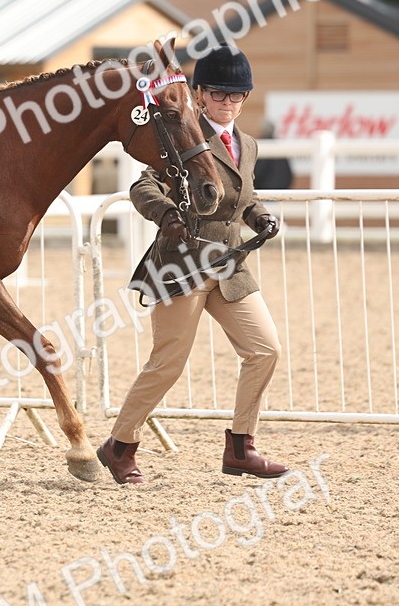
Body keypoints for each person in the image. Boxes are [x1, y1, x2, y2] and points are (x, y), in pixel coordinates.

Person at [96, 45, 288, 484]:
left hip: (230, 267)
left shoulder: (249, 145)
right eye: (218, 94)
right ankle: (119, 446)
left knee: (265, 350)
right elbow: (142, 185)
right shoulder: (181, 131)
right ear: (199, 95)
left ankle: (241, 447)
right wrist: (166, 215)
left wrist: (261, 217)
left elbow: (247, 197)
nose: (226, 102)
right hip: (181, 266)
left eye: (236, 95)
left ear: (245, 98)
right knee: (168, 363)